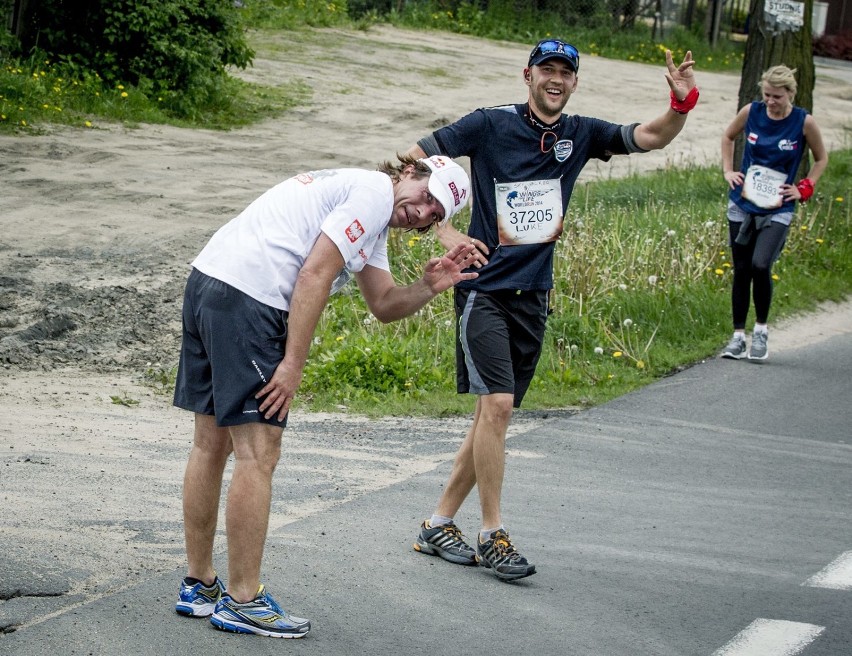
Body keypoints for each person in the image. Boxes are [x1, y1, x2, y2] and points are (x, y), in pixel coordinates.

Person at [405, 39, 698, 581]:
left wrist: (682, 103)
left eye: (565, 72)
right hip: (483, 289)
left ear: (575, 82)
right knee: (497, 405)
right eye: (547, 70)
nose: (555, 78)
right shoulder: (489, 124)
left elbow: (650, 137)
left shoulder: (580, 133)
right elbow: (417, 159)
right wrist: (441, 226)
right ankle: (492, 532)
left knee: (492, 417)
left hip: (533, 294)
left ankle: (437, 521)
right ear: (528, 75)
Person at [173, 154, 475, 637]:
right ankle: (244, 599)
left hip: (210, 281)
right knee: (259, 454)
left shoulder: (367, 206)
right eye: (426, 198)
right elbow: (313, 274)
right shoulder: (375, 195)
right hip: (251, 297)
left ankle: (200, 584)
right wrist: (291, 364)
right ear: (412, 172)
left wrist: (427, 286)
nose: (422, 214)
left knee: (211, 444)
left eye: (436, 215)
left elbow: (382, 304)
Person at [720, 64, 828, 361]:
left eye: (777, 96)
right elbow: (728, 136)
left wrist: (805, 187)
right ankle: (738, 336)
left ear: (790, 93)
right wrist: (728, 171)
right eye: (767, 95)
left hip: (778, 205)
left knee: (760, 264)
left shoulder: (804, 122)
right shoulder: (751, 112)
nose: (770, 101)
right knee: (741, 269)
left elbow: (821, 159)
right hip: (743, 202)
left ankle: (762, 330)